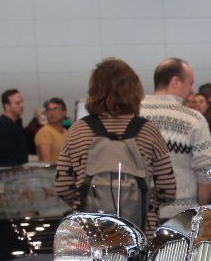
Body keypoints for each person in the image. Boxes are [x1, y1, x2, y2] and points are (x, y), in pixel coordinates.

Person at [55, 58, 175, 235]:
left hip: (89, 237)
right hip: (141, 235)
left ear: (94, 90)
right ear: (134, 89)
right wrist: (144, 204)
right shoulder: (148, 131)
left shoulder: (77, 131)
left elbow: (63, 186)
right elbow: (168, 190)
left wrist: (85, 201)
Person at [138, 57, 211, 222]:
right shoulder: (193, 119)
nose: (192, 90)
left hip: (137, 214)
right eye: (190, 84)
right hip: (181, 217)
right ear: (175, 82)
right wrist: (202, 209)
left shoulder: (132, 115)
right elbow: (206, 169)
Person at [0, 88, 29, 166]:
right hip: (10, 170)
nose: (22, 105)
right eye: (17, 103)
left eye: (22, 102)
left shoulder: (13, 124)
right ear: (7, 106)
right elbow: (8, 156)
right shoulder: (4, 126)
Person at [35, 97, 68, 165]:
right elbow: (46, 159)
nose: (51, 113)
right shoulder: (45, 132)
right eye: (48, 110)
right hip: (52, 171)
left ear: (64, 112)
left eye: (55, 109)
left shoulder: (67, 132)